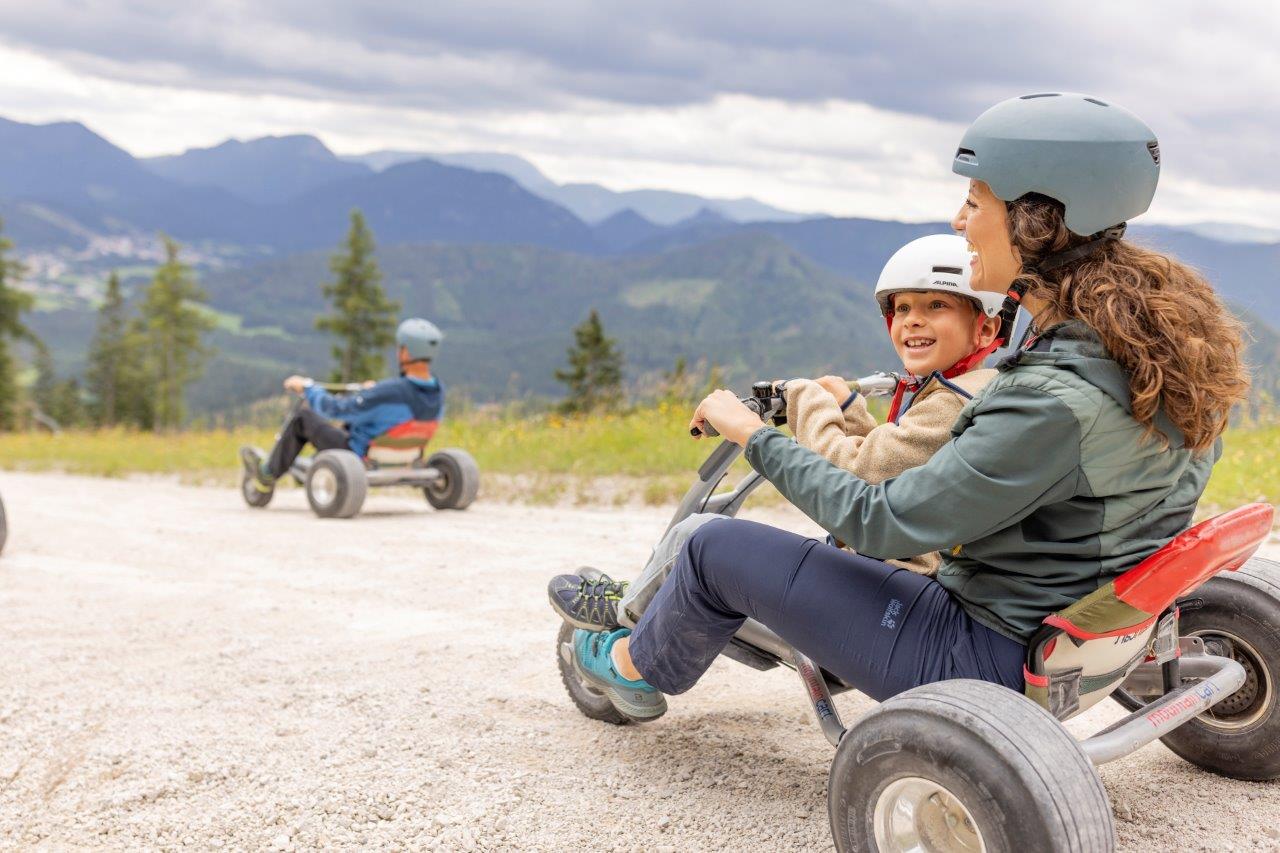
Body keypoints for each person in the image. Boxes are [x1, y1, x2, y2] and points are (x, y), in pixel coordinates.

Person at [556, 92, 1249, 723]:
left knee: (714, 544)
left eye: (974, 201)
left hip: (981, 651)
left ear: (1036, 220)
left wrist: (754, 436)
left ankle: (624, 664)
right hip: (1065, 626)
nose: (959, 220)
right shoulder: (1154, 355)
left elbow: (879, 520)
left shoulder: (1051, 401)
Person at [548, 234, 1006, 648]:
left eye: (936, 306)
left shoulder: (954, 402)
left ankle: (627, 622)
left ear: (985, 329)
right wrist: (849, 410)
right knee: (736, 549)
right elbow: (896, 467)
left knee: (702, 535)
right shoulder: (970, 392)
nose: (912, 321)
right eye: (902, 309)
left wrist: (803, 396)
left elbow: (857, 478)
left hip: (897, 589)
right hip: (906, 574)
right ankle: (641, 619)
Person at [240, 318, 445, 490]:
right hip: (407, 455)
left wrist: (308, 388)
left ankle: (266, 475)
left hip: (358, 454)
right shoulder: (437, 391)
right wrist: (371, 392)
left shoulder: (390, 391)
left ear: (405, 353)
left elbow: (335, 409)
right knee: (347, 425)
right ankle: (311, 462)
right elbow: (393, 406)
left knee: (303, 417)